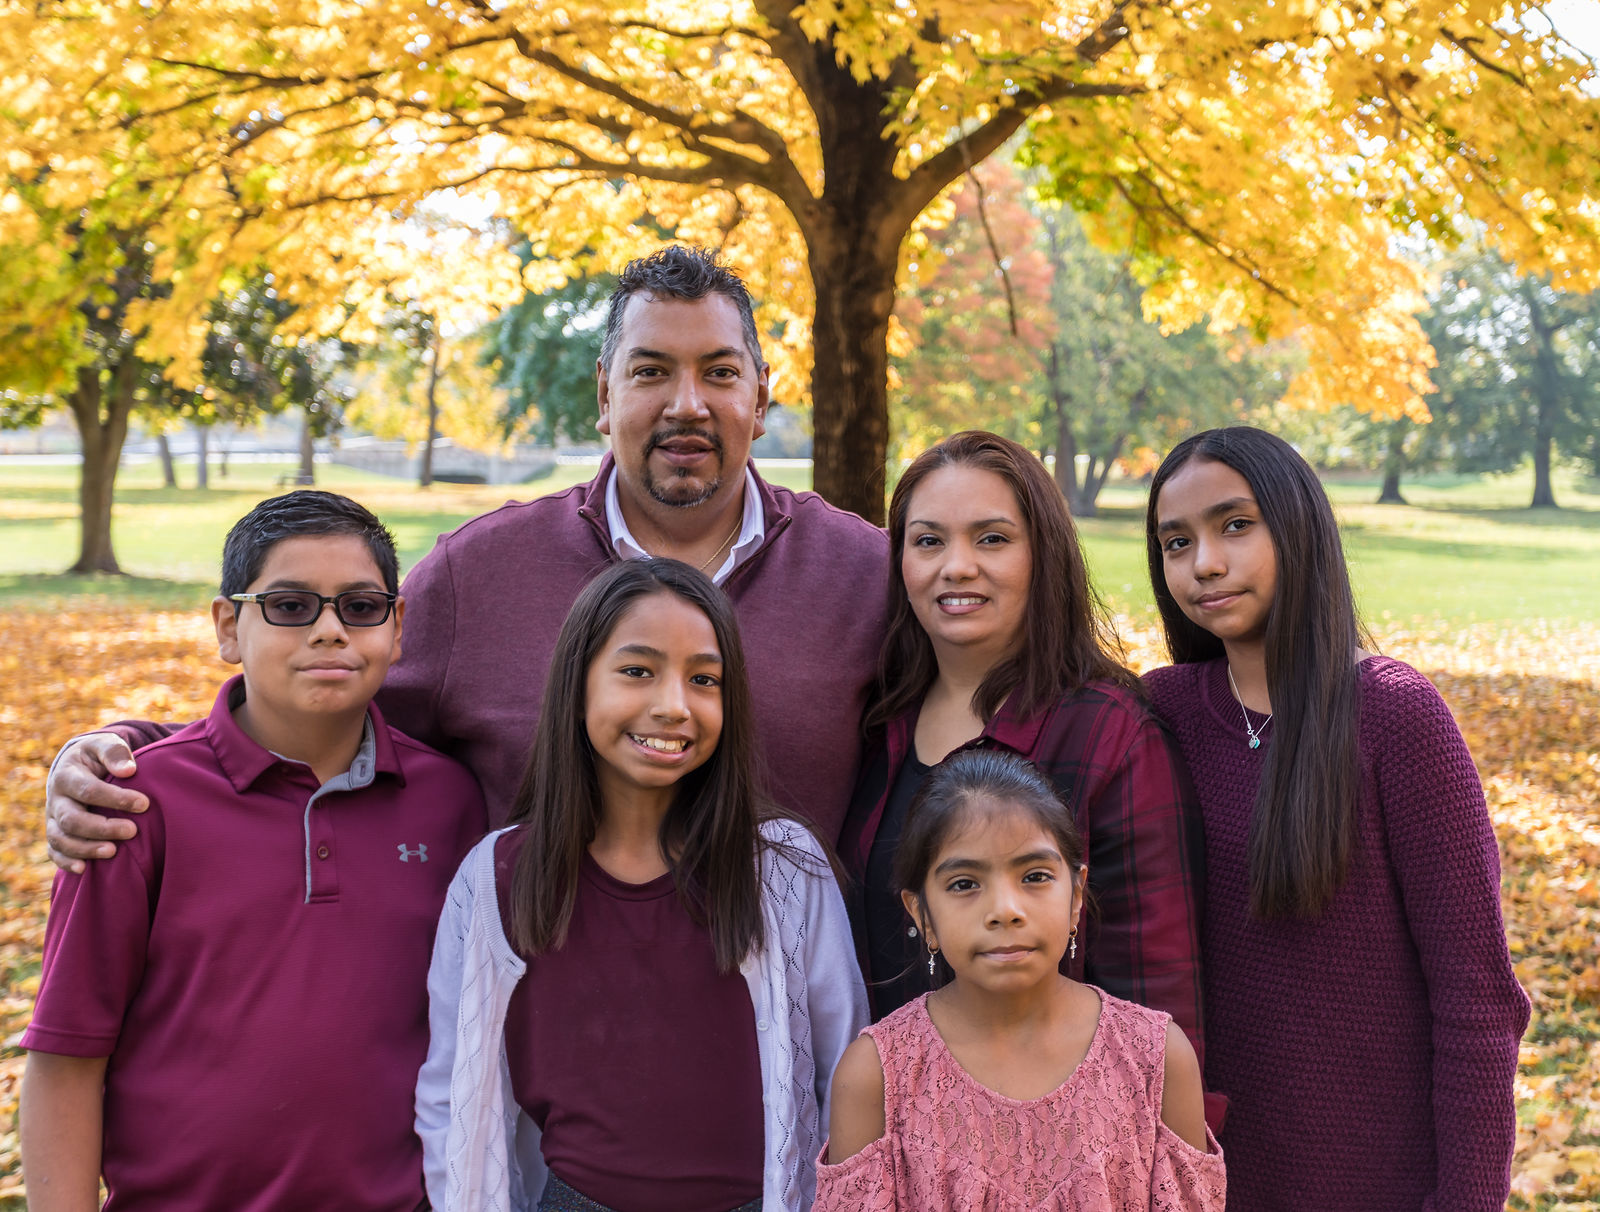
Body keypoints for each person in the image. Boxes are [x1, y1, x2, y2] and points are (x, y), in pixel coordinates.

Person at [44, 245, 888, 864]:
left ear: (762, 398)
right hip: (537, 1060)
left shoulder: (864, 576)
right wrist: (126, 749)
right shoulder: (479, 575)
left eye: (719, 373)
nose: (687, 404)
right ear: (604, 396)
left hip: (797, 1056)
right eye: (651, 372)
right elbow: (323, 725)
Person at [19, 491, 486, 1211]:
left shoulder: (449, 801)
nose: (330, 630)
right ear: (228, 626)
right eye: (291, 606)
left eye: (360, 607)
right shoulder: (135, 805)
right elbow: (66, 1054)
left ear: (396, 628)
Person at [1141, 426, 1529, 1212]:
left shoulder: (1395, 717)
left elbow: (1478, 1003)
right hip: (1205, 1178)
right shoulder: (1164, 710)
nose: (1204, 563)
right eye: (1176, 542)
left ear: (1298, 526)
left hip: (1380, 1181)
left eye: (1235, 526)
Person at [416, 559, 867, 1212]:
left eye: (704, 679)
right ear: (577, 689)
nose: (673, 706)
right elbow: (451, 1096)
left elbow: (845, 1071)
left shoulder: (783, 871)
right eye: (637, 671)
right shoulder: (498, 878)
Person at [839, 431, 1207, 1070]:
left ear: (1044, 555)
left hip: (1055, 1146)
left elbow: (1159, 1006)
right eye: (928, 541)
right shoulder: (876, 723)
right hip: (892, 1129)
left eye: (992, 538)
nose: (956, 566)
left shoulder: (1110, 735)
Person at [816, 750, 1225, 1209]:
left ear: (1075, 897)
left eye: (1034, 876)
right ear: (921, 914)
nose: (1006, 910)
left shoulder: (1155, 1059)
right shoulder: (877, 1077)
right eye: (964, 884)